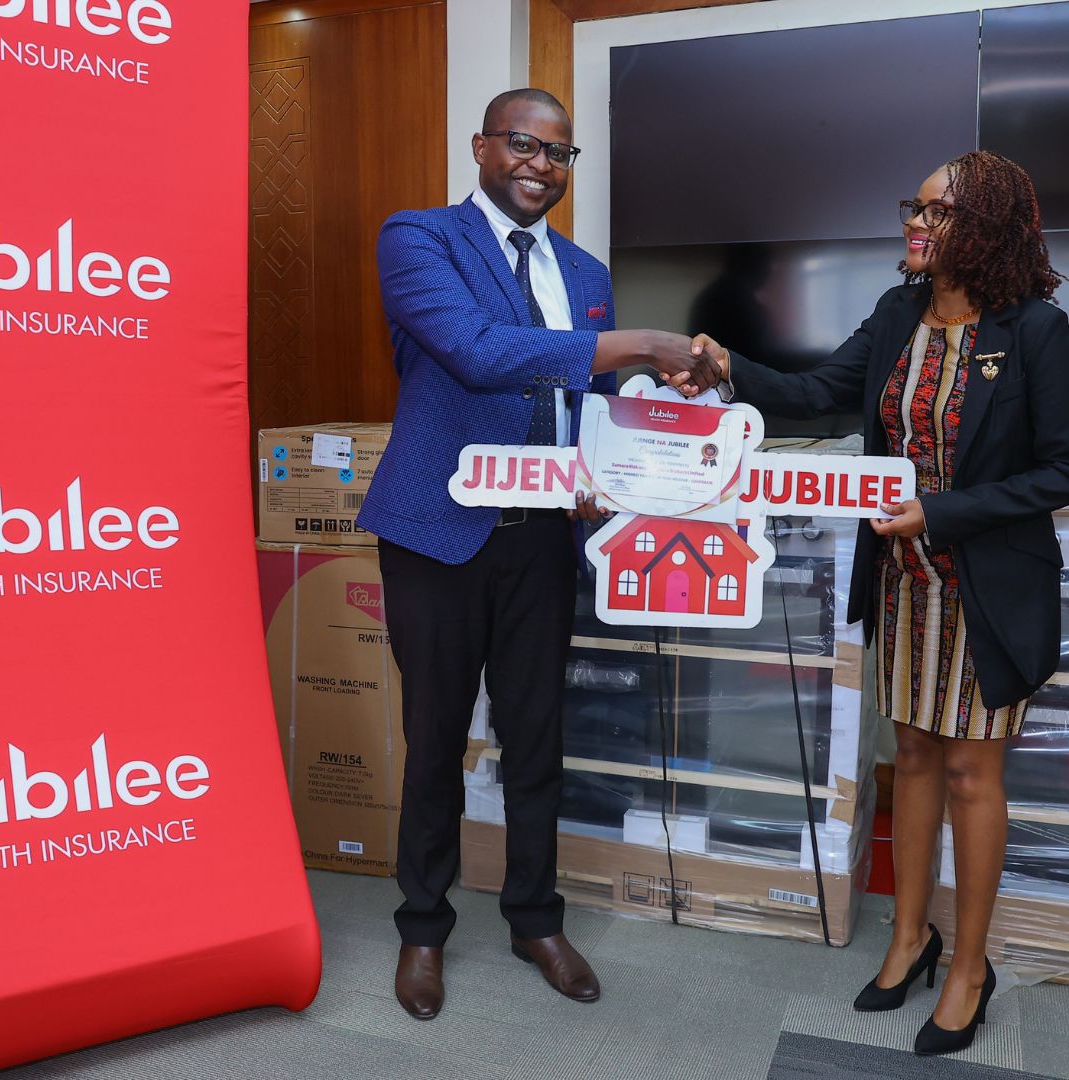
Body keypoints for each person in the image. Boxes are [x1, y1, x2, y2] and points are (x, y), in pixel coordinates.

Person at [689, 150, 1069, 1056]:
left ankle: (968, 968)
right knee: (915, 758)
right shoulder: (900, 311)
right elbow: (820, 390)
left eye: (936, 211)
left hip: (986, 590)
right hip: (904, 586)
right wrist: (727, 365)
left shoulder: (1038, 330)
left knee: (973, 774)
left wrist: (941, 511)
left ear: (983, 229)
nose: (915, 222)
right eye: (915, 206)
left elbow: (1061, 470)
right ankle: (910, 937)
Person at [357, 87, 718, 1021]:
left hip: (543, 539)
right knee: (435, 739)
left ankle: (534, 919)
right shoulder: (420, 238)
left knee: (535, 739)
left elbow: (584, 398)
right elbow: (478, 351)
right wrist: (642, 341)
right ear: (482, 146)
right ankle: (423, 928)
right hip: (438, 531)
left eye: (558, 153)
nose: (540, 165)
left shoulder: (584, 270)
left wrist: (642, 424)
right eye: (522, 144)